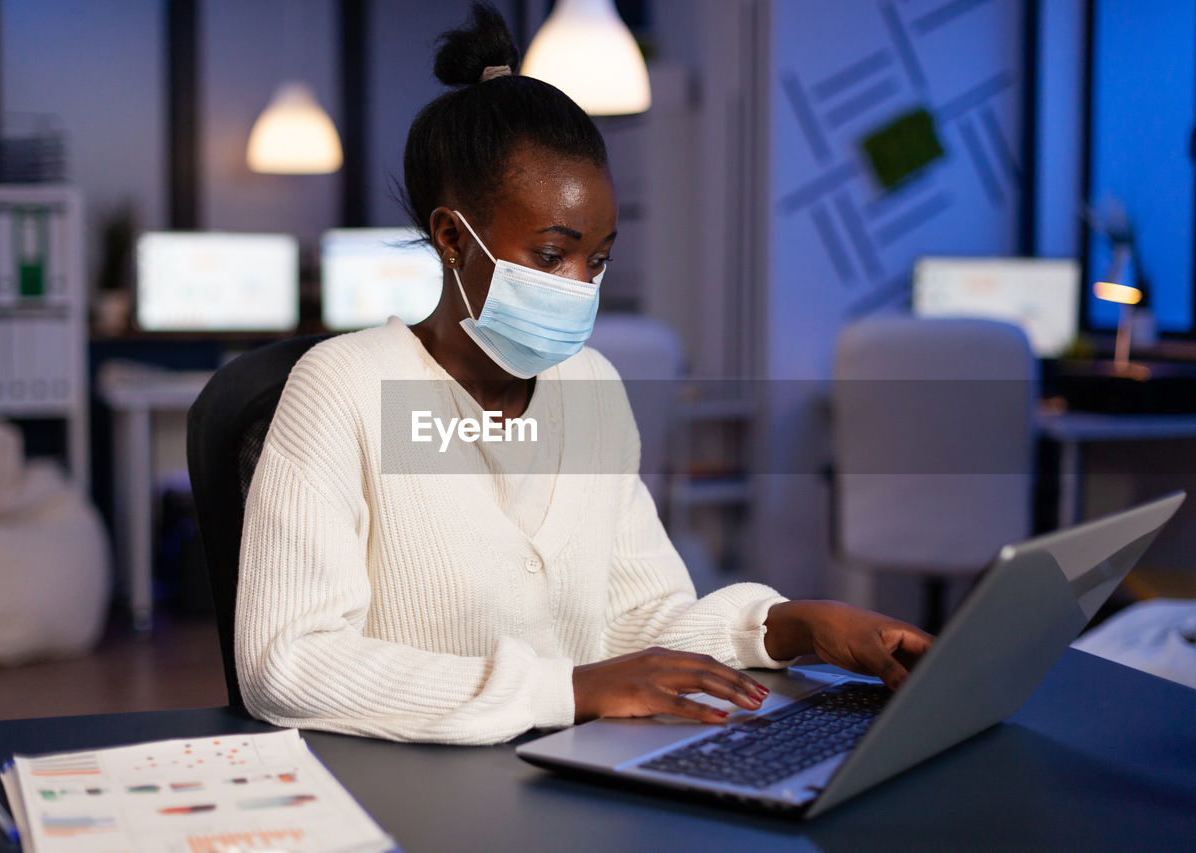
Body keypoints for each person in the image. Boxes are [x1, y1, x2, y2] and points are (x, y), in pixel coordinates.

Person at [235, 2, 932, 745]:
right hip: (407, 798)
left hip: (566, 781)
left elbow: (640, 620)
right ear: (450, 237)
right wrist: (561, 688)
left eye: (596, 259)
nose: (579, 284)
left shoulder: (592, 388)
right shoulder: (341, 388)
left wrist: (788, 625)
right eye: (550, 254)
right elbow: (288, 661)